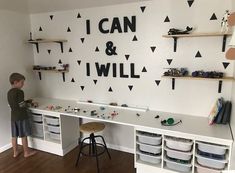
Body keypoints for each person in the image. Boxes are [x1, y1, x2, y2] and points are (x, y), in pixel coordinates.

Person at [7, 73, 37, 158]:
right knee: (23, 135)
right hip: (21, 117)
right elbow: (21, 105)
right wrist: (30, 104)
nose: (23, 84)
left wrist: (26, 101)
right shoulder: (20, 91)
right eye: (22, 82)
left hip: (13, 117)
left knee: (14, 136)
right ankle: (26, 153)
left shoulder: (9, 92)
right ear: (16, 82)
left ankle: (15, 152)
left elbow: (14, 104)